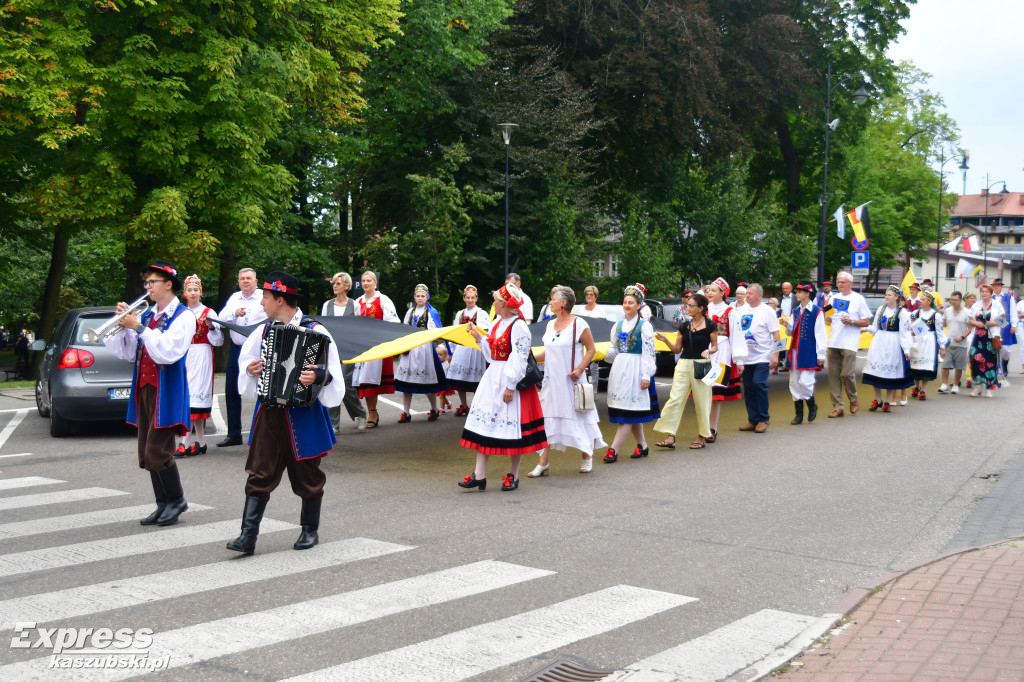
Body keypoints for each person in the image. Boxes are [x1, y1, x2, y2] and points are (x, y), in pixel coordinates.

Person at [228, 271, 344, 554]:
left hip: (303, 414)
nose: (261, 303)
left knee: (307, 474)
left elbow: (334, 374)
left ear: (280, 299)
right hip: (269, 412)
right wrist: (251, 368)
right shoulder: (264, 330)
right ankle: (248, 535)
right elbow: (247, 361)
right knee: (259, 472)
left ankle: (309, 530)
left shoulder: (316, 331)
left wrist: (318, 375)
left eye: (265, 297)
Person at [104, 261, 196, 526]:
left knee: (159, 450)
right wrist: (123, 326)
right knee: (146, 451)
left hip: (167, 390)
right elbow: (129, 352)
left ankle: (177, 501)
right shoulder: (147, 314)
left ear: (168, 284)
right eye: (146, 283)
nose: (148, 287)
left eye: (152, 282)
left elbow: (168, 352)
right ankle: (163, 503)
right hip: (144, 388)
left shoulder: (184, 316)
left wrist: (139, 328)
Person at [458, 283, 547, 491]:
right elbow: (491, 353)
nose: (493, 303)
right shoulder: (498, 322)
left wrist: (510, 385)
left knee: (514, 428)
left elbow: (520, 357)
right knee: (485, 424)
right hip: (493, 377)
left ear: (505, 303)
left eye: (496, 300)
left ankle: (513, 475)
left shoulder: (519, 326)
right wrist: (478, 337)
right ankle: (479, 475)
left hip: (509, 380)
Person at [527, 285, 605, 476]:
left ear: (563, 303)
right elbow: (549, 350)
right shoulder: (549, 324)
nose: (550, 302)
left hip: (572, 381)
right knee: (547, 420)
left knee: (580, 418)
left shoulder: (580, 324)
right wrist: (528, 356)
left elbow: (592, 349)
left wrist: (579, 369)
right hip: (551, 381)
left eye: (552, 299)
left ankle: (587, 456)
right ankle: (543, 462)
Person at [602, 284, 660, 462]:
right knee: (631, 411)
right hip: (620, 370)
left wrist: (646, 375)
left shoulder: (644, 326)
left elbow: (649, 352)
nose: (627, 305)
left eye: (631, 303)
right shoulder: (617, 325)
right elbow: (615, 349)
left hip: (636, 369)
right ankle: (642, 445)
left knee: (627, 414)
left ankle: (613, 449)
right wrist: (603, 356)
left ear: (638, 305)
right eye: (625, 302)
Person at [653, 292, 717, 449]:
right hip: (683, 364)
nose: (687, 308)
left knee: (702, 401)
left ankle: (702, 436)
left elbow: (715, 346)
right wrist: (665, 340)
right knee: (675, 399)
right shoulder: (684, 326)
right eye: (687, 305)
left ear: (701, 308)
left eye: (691, 305)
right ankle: (670, 436)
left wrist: (709, 351)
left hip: (702, 365)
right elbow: (676, 350)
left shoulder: (710, 325)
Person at [215, 268, 267, 447]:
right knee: (231, 390)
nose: (245, 281)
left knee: (264, 390)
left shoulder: (263, 297)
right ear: (238, 281)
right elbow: (220, 319)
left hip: (260, 350)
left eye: (248, 278)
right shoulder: (234, 299)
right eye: (242, 278)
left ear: (256, 281)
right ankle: (234, 433)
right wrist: (233, 314)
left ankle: (263, 434)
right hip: (237, 349)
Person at [178, 275, 223, 457]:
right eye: (190, 290)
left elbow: (219, 341)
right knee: (188, 396)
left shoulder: (209, 312)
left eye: (196, 290)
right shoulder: (181, 313)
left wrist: (211, 328)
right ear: (184, 294)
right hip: (186, 354)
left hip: (202, 354)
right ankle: (201, 442)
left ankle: (185, 441)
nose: (193, 293)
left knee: (195, 397)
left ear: (201, 292)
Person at [350, 271, 399, 427]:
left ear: (375, 282)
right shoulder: (357, 301)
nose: (366, 283)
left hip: (377, 345)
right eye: (364, 281)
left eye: (369, 281)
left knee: (371, 379)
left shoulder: (383, 300)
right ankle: (370, 411)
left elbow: (393, 321)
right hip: (361, 345)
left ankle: (372, 412)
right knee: (362, 380)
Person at [320, 271, 367, 432]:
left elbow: (359, 328)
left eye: (338, 283)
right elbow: (322, 328)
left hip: (349, 350)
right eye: (333, 283)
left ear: (346, 286)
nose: (334, 285)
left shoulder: (355, 305)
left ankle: (360, 414)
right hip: (331, 349)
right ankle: (334, 424)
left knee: (346, 385)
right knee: (331, 382)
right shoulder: (327, 305)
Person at [395, 283, 447, 422]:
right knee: (407, 382)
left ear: (427, 297)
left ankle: (434, 409)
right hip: (410, 349)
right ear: (414, 297)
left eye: (422, 296)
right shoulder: (410, 312)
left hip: (424, 350)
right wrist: (401, 349)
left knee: (427, 381)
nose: (420, 298)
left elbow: (436, 331)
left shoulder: (431, 312)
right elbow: (404, 329)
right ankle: (406, 412)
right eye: (417, 296)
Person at [824, 272, 872, 418]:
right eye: (838, 282)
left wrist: (851, 321)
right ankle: (838, 407)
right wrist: (827, 310)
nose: (840, 285)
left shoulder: (858, 299)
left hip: (849, 343)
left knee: (847, 374)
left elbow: (866, 322)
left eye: (843, 282)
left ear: (851, 283)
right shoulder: (834, 297)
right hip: (833, 341)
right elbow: (828, 318)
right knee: (833, 376)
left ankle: (853, 398)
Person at [735, 284, 781, 433]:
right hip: (746, 357)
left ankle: (763, 418)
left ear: (759, 295)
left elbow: (776, 335)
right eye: (746, 293)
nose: (747, 295)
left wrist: (775, 355)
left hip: (763, 355)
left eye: (750, 293)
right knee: (748, 388)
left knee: (758, 384)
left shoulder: (768, 311)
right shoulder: (741, 311)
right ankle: (753, 419)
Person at [862, 285, 914, 412]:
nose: (886, 297)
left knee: (891, 373)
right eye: (886, 294)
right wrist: (864, 329)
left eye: (889, 295)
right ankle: (878, 400)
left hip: (893, 343)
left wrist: (907, 350)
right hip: (879, 342)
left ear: (896, 297)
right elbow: (875, 327)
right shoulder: (881, 309)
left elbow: (905, 332)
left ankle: (888, 401)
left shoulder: (902, 313)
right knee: (875, 371)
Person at [705, 277, 741, 443]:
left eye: (713, 290)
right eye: (709, 290)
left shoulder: (730, 312)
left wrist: (738, 359)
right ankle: (703, 426)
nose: (709, 293)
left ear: (722, 293)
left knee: (716, 392)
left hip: (722, 352)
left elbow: (736, 336)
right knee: (703, 390)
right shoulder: (703, 309)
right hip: (704, 351)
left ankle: (713, 427)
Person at [446, 285, 490, 416]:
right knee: (460, 379)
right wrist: (451, 351)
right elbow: (454, 332)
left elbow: (485, 331)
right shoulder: (460, 313)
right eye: (468, 297)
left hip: (474, 350)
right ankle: (464, 405)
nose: (470, 300)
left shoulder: (482, 313)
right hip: (461, 349)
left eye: (472, 297)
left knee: (476, 380)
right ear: (464, 298)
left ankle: (477, 406)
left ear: (476, 298)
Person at [786, 283, 826, 425]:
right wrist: (787, 326)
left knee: (805, 382)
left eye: (799, 292)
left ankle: (811, 403)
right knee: (794, 382)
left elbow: (821, 334)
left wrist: (821, 354)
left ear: (808, 293)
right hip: (795, 350)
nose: (796, 294)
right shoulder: (796, 310)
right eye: (796, 291)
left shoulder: (817, 311)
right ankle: (799, 414)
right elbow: (790, 332)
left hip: (809, 351)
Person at [966, 282, 1005, 398]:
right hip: (978, 336)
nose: (984, 293)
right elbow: (970, 320)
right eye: (982, 291)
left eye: (986, 292)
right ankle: (977, 386)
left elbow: (1003, 321)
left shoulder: (997, 305)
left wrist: (993, 323)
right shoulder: (976, 305)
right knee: (975, 359)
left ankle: (988, 387)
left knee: (990, 361)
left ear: (991, 293)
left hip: (992, 336)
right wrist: (977, 323)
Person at [908, 291, 947, 400]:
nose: (920, 301)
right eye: (920, 299)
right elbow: (911, 327)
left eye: (923, 299)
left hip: (929, 342)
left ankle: (923, 390)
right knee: (915, 365)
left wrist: (942, 348)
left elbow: (940, 332)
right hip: (917, 341)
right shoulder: (916, 313)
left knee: (926, 366)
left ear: (929, 301)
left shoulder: (936, 315)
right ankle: (917, 386)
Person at [938, 291, 970, 394]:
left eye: (956, 300)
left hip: (961, 344)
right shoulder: (947, 311)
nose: (953, 302)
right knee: (945, 365)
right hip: (949, 343)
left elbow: (970, 328)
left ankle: (955, 384)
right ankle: (944, 384)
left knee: (959, 366)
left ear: (961, 300)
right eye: (951, 300)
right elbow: (942, 325)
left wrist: (962, 337)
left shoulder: (967, 312)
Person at [991, 278, 1016, 383]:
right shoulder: (990, 297)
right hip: (992, 324)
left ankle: (1005, 363)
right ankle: (995, 369)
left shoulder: (1008, 297)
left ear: (1001, 287)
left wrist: (1014, 325)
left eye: (998, 286)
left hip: (1005, 325)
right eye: (994, 286)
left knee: (1005, 349)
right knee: (994, 347)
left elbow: (1013, 311)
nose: (996, 287)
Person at [1017, 293, 1024, 374]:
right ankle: (1023, 366)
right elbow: (1017, 315)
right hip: (1021, 325)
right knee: (1023, 345)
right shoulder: (1020, 303)